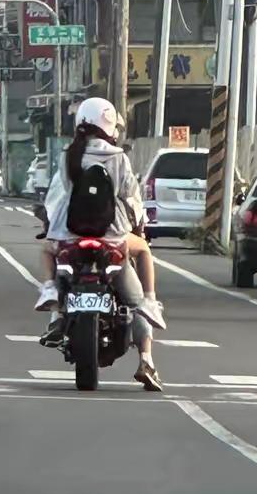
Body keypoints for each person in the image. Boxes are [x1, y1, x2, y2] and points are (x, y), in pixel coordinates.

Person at [35, 97, 167, 392]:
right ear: (108, 123)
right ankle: (146, 353)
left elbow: (60, 195)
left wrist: (54, 226)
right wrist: (138, 225)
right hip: (113, 237)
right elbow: (130, 198)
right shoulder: (119, 156)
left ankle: (52, 295)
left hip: (69, 235)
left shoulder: (68, 155)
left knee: (48, 251)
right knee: (138, 293)